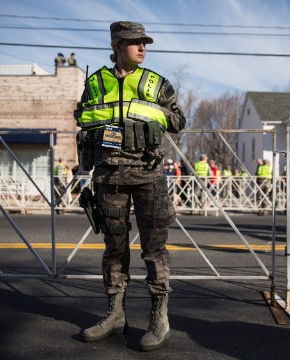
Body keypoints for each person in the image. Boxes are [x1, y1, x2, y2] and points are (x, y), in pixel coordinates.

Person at [73, 21, 186, 351]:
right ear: (117, 45)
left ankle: (159, 319)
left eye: (144, 42)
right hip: (108, 176)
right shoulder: (96, 82)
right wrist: (109, 117)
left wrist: (142, 111)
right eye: (135, 42)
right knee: (113, 251)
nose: (142, 47)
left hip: (148, 176)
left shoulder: (155, 82)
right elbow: (82, 116)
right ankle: (115, 315)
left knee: (154, 250)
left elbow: (178, 121)